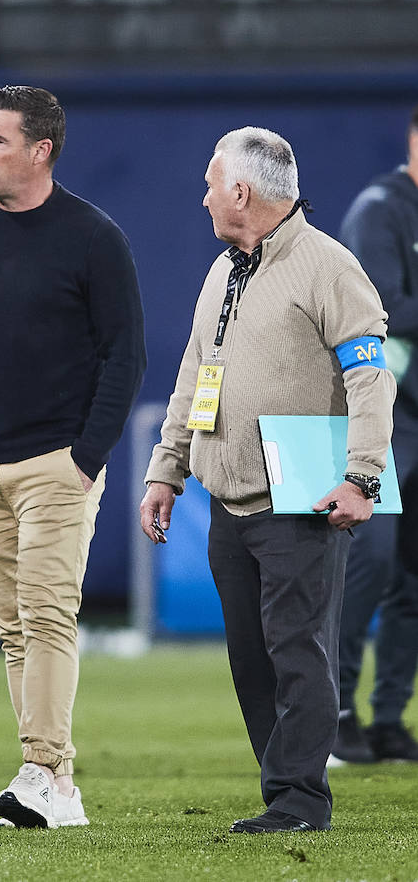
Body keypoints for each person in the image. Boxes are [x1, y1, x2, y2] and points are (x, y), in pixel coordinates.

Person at [141, 127, 395, 834]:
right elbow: (195, 374)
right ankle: (283, 790)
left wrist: (362, 477)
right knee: (253, 661)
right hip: (228, 502)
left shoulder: (328, 266)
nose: (204, 196)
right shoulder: (225, 269)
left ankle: (299, 801)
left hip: (300, 500)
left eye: (211, 183)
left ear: (242, 192)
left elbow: (372, 376)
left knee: (297, 651)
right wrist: (167, 469)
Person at [0, 85, 146, 829]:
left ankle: (40, 768)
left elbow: (127, 355)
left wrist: (87, 457)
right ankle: (61, 789)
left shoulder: (93, 236)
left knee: (48, 616)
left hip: (57, 463)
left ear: (40, 149)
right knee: (15, 628)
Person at [330, 106, 418, 765]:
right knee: (373, 559)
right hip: (385, 416)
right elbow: (380, 309)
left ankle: (389, 719)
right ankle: (333, 709)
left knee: (413, 576)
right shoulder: (380, 210)